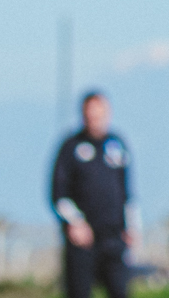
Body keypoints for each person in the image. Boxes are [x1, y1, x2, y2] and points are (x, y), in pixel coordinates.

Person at [50, 91, 140, 298]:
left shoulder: (117, 145)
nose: (95, 119)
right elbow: (58, 194)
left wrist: (133, 226)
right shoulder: (71, 146)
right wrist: (75, 222)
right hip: (83, 240)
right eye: (90, 114)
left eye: (99, 114)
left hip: (113, 237)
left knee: (119, 290)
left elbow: (127, 192)